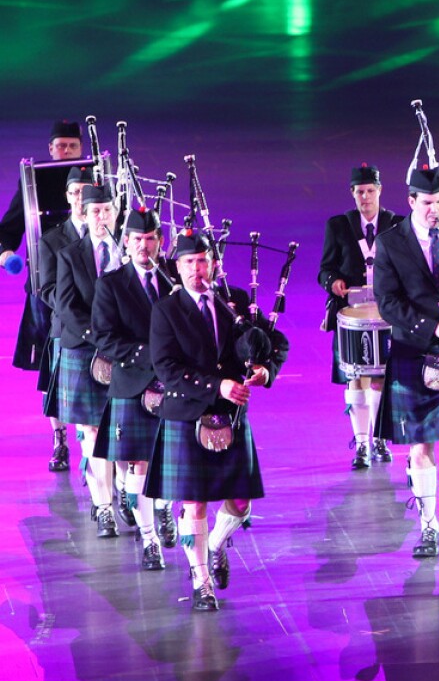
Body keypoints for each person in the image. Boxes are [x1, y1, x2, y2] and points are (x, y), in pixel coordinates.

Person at [145, 230, 288, 611]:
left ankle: (214, 544)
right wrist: (217, 386)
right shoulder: (165, 311)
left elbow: (275, 343)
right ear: (177, 267)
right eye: (189, 262)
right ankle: (201, 581)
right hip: (188, 415)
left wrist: (265, 370)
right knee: (194, 504)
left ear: (214, 263)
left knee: (240, 503)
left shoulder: (233, 302)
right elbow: (167, 368)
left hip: (230, 417)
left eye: (203, 261)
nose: (197, 269)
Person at [373, 165, 439, 558]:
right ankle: (429, 527)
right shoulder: (390, 242)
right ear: (411, 201)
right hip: (414, 350)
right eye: (429, 203)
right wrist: (433, 327)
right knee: (421, 446)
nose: (436, 210)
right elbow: (388, 303)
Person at [90, 208, 178, 567]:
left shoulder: (175, 279)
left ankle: (165, 506)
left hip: (174, 384)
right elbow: (104, 337)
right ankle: (149, 538)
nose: (144, 245)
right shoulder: (111, 285)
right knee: (139, 463)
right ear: (126, 242)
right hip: (132, 382)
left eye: (150, 239)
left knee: (171, 458)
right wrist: (149, 354)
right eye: (137, 239)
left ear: (160, 241)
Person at [2, 121, 83, 468]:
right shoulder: (33, 180)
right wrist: (6, 253)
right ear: (50, 149)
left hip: (90, 285)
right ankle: (59, 437)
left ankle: (92, 436)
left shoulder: (95, 179)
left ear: (80, 149)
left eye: (71, 146)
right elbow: (8, 228)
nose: (64, 152)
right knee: (52, 364)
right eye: (59, 146)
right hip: (46, 285)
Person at [318, 164, 403, 469]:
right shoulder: (339, 225)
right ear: (352, 194)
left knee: (380, 378)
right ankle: (362, 444)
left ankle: (379, 438)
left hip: (386, 314)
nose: (365, 197)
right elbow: (325, 270)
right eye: (360, 192)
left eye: (370, 191)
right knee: (355, 378)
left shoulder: (397, 225)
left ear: (379, 191)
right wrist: (333, 282)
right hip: (351, 317)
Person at [55, 183, 122, 536]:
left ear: (115, 213)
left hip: (123, 351)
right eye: (95, 211)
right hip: (84, 349)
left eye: (107, 210)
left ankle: (126, 492)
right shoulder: (70, 254)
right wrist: (101, 338)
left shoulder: (128, 250)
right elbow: (67, 307)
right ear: (85, 213)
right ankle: (104, 505)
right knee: (93, 431)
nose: (101, 217)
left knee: (122, 428)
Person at [37, 165, 92, 472]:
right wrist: (78, 313)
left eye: (86, 192)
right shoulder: (52, 240)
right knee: (63, 395)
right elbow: (47, 289)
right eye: (75, 193)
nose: (80, 198)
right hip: (68, 327)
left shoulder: (109, 237)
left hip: (107, 327)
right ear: (67, 196)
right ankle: (61, 440)